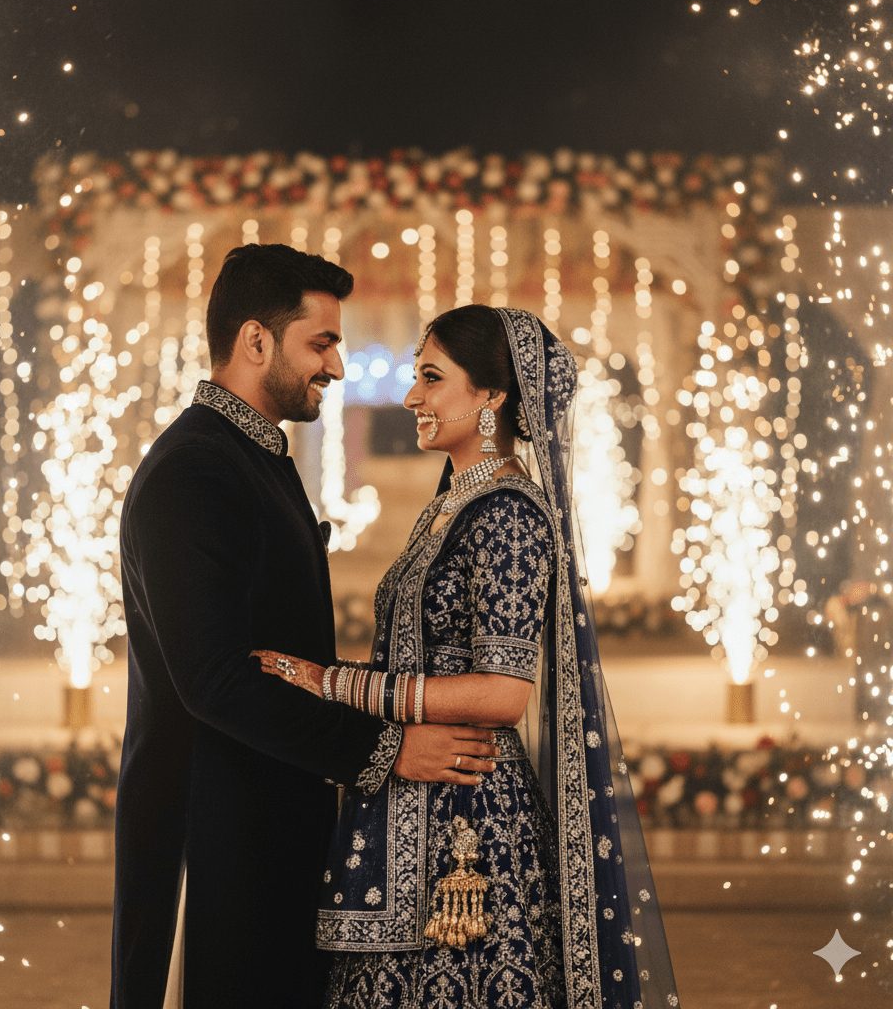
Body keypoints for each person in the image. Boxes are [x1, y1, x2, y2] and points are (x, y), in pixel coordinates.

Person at [257, 304, 682, 1008]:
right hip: (413, 797)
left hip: (469, 823)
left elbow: (502, 693)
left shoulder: (510, 512)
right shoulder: (452, 503)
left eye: (430, 377)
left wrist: (335, 685)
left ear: (492, 395)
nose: (410, 397)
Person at [110, 245, 498, 1009]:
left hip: (267, 830)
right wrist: (387, 751)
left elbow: (285, 656)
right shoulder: (194, 471)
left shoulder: (254, 460)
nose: (338, 366)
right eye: (320, 343)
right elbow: (214, 680)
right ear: (257, 341)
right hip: (213, 841)